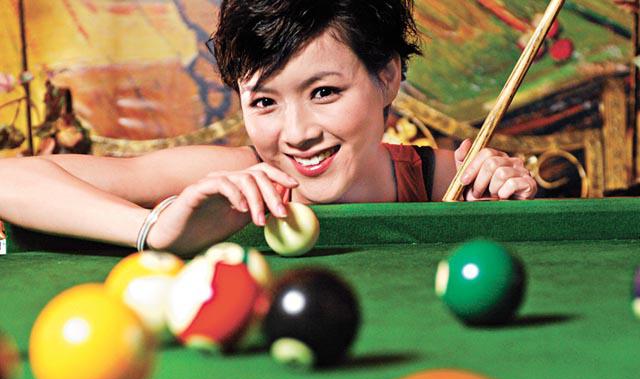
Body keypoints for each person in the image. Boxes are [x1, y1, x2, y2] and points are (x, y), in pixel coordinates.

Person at [0, 0, 536, 256]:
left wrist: (506, 199)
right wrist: (154, 230)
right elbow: (9, 179)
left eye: (324, 92)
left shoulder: (444, 181)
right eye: (264, 102)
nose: (297, 133)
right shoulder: (229, 181)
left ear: (388, 77)